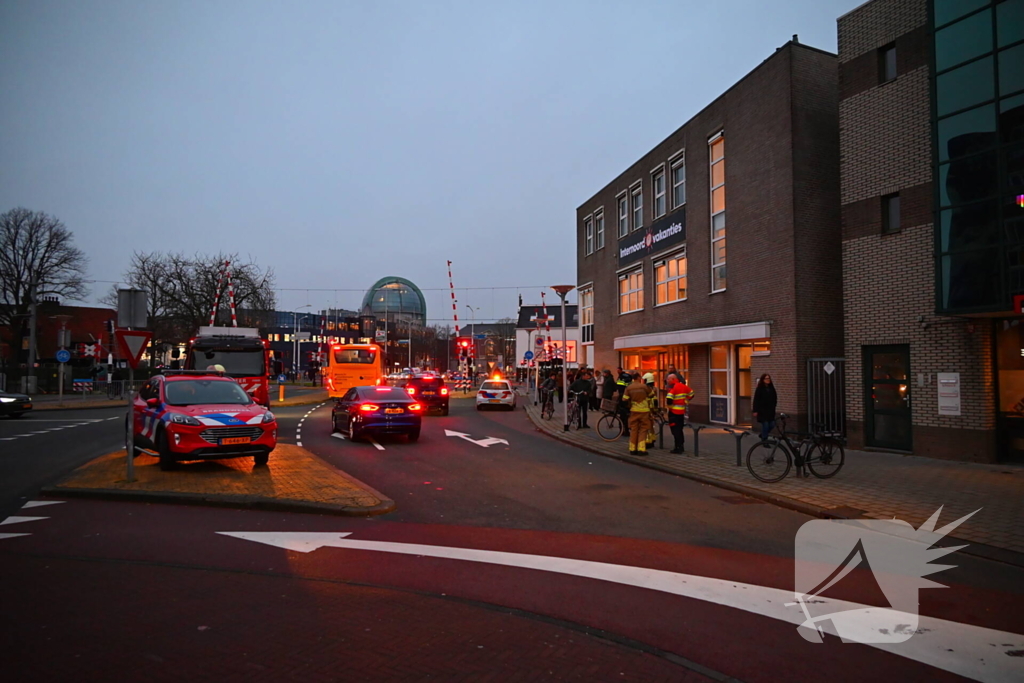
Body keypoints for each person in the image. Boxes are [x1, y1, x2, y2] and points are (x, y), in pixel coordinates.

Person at [623, 373, 655, 455]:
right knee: (643, 429)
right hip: (644, 411)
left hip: (634, 411)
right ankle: (641, 449)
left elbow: (624, 399)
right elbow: (652, 395)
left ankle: (632, 449)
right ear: (638, 377)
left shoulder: (629, 388)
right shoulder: (644, 387)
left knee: (634, 429)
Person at [665, 372, 695, 454]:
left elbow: (669, 400)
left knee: (675, 431)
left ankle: (677, 447)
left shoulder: (673, 387)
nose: (667, 380)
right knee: (680, 430)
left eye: (668, 379)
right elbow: (692, 394)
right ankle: (681, 446)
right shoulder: (683, 386)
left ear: (673, 379)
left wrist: (670, 406)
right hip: (681, 412)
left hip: (673, 413)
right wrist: (686, 400)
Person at [752, 373, 778, 443]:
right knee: (765, 425)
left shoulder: (771, 388)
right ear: (763, 380)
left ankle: (763, 434)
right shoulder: (759, 389)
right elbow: (756, 399)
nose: (768, 380)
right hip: (762, 411)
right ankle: (764, 440)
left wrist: (774, 405)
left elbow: (775, 397)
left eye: (769, 378)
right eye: (766, 379)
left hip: (770, 410)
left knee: (772, 424)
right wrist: (755, 410)